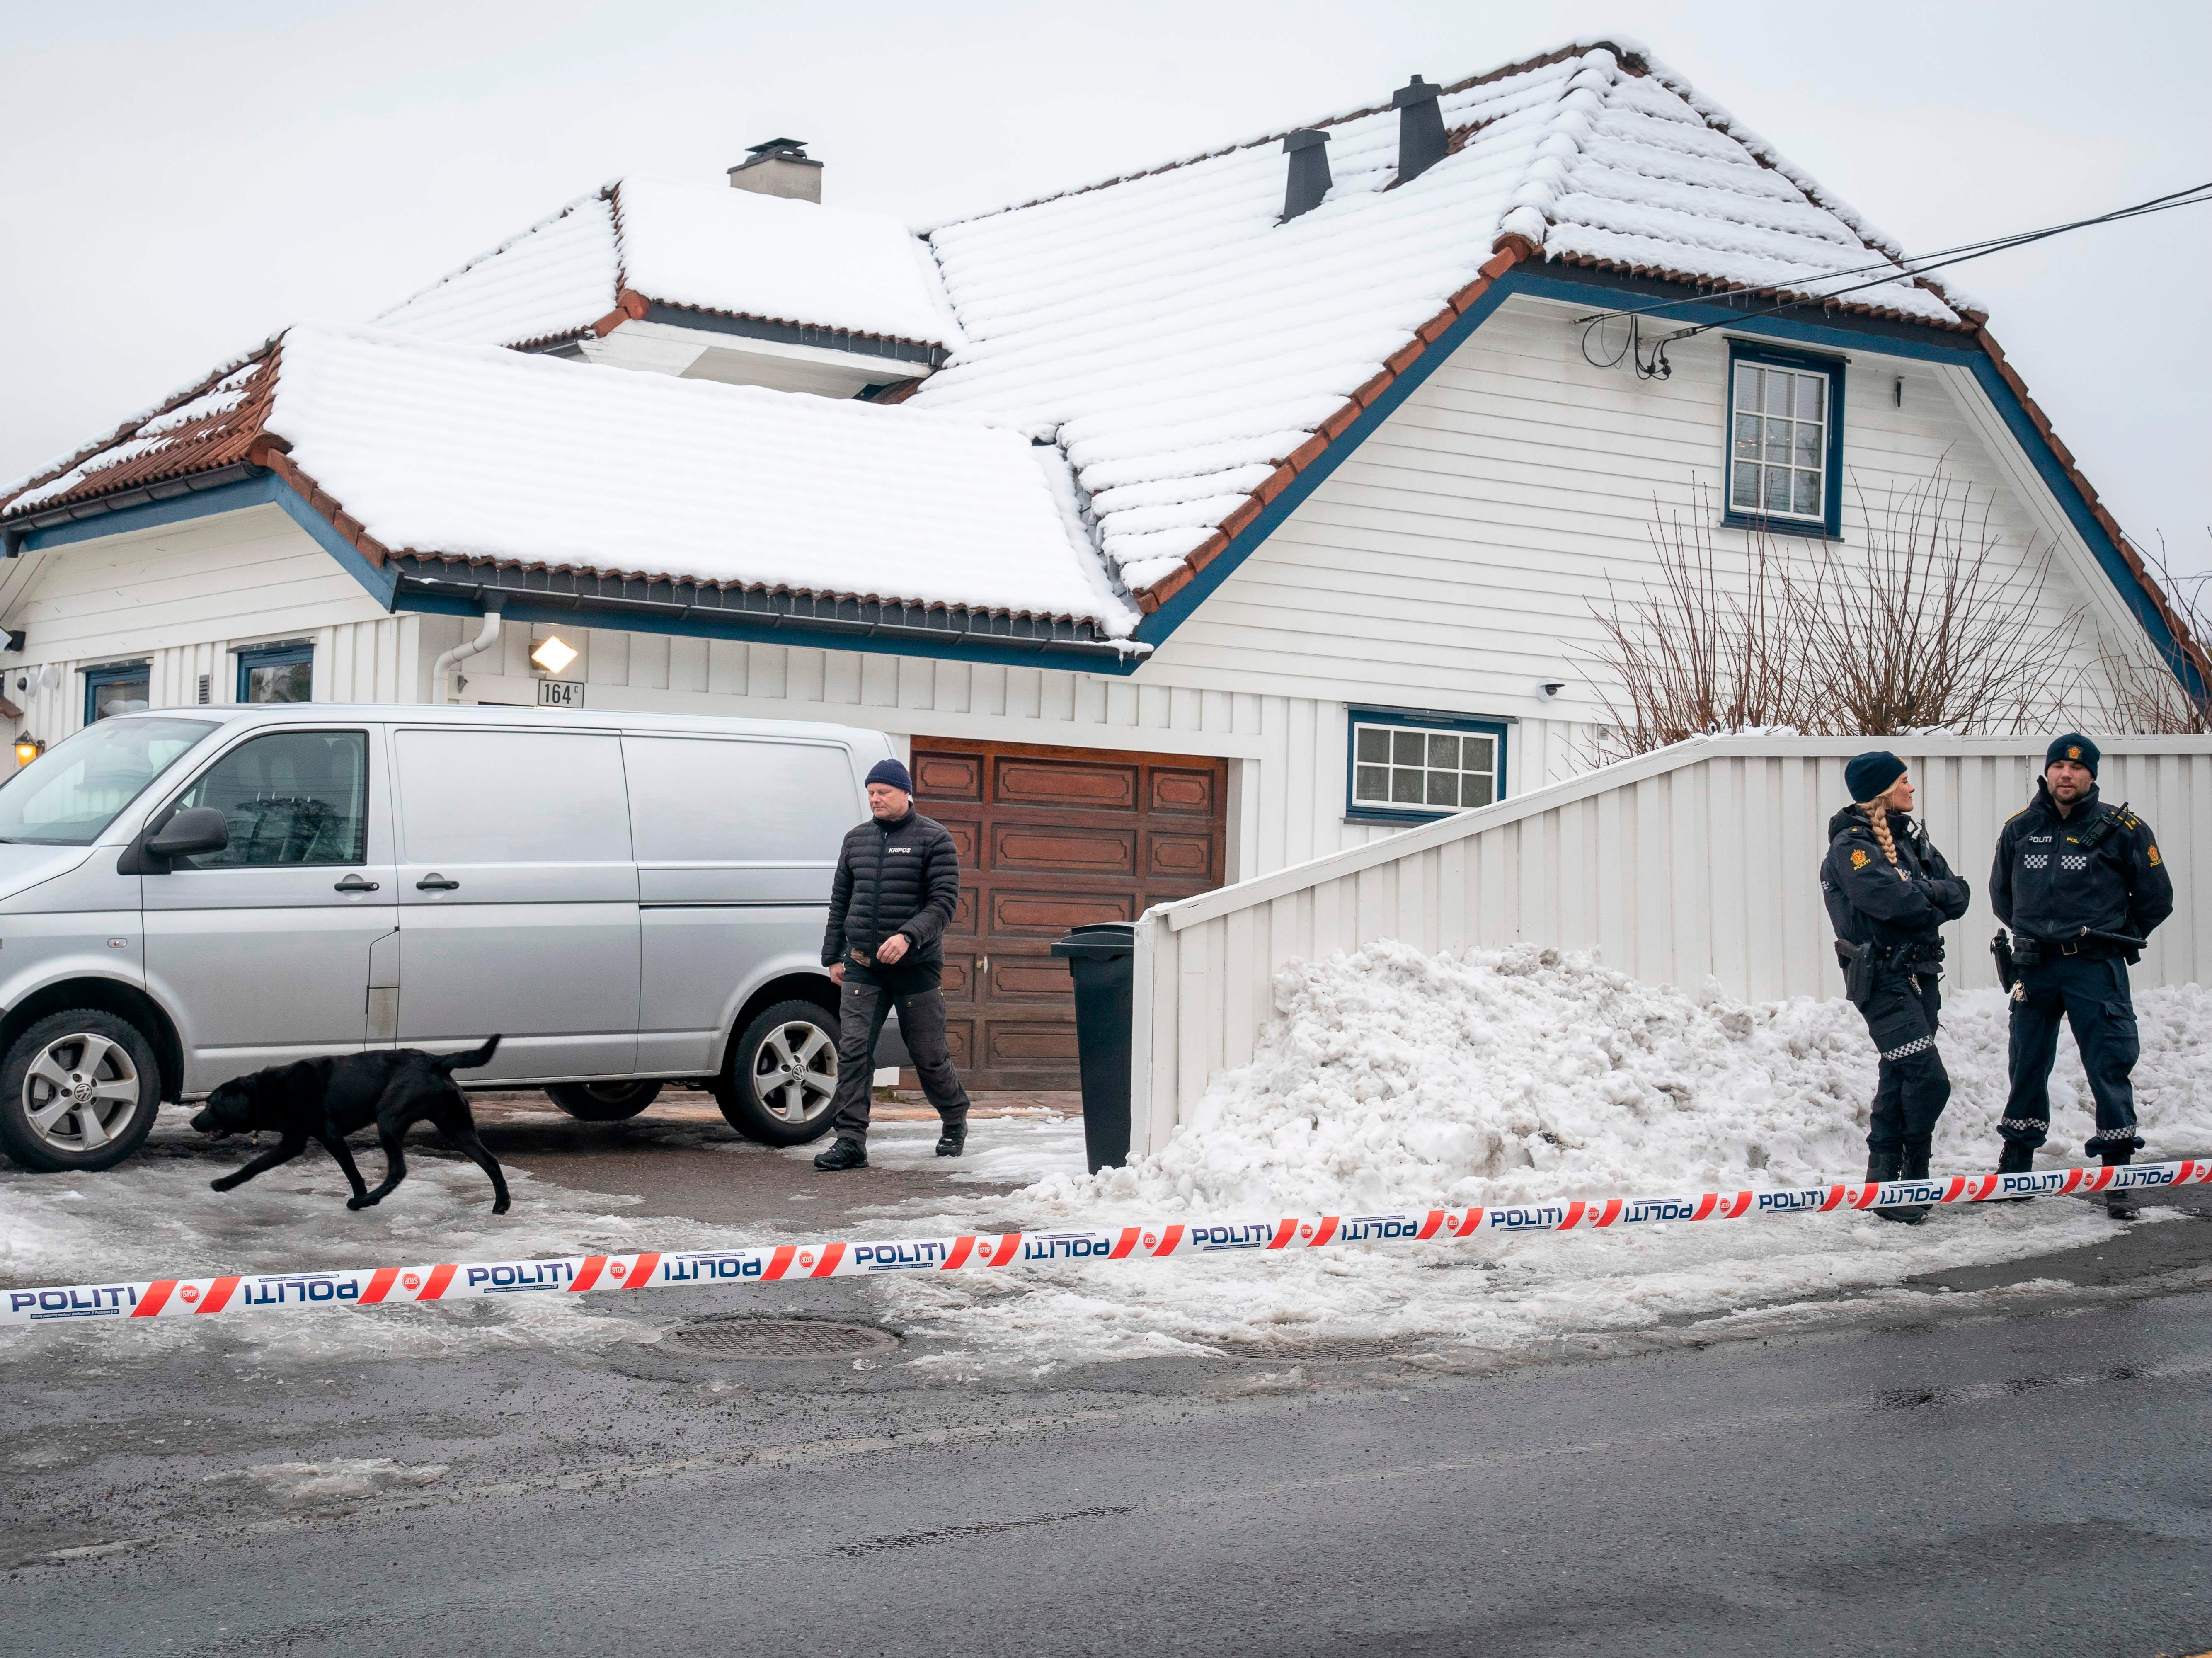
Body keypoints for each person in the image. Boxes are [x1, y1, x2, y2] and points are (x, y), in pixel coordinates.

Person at [1989, 733, 2173, 1219]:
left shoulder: (2123, 829)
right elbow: (2001, 896)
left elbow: (2157, 898)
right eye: (2058, 767)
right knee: (2026, 1062)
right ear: (2047, 772)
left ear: (2092, 774)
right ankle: (2017, 1163)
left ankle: (2119, 1175)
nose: (2066, 775)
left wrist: (2117, 937)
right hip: (2035, 966)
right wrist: (2033, 933)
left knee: (2108, 1063)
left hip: (2094, 966)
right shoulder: (2020, 828)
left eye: (2076, 768)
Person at [1820, 751, 1972, 1223]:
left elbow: (1961, 892)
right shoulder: (1853, 846)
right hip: (1884, 979)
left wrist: (1923, 893)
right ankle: (1912, 1172)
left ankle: (1885, 1185)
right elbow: (1897, 903)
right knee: (1928, 1080)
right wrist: (1928, 896)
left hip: (1922, 975)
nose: (1913, 788)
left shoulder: (1910, 838)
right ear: (1884, 789)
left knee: (1900, 1075)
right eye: (1906, 781)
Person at [811, 757, 971, 1172]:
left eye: (883, 792)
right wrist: (833, 955)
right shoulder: (856, 840)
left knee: (927, 1054)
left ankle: (954, 1118)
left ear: (905, 792)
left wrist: (908, 936)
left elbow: (944, 904)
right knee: (853, 1050)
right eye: (871, 793)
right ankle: (850, 1142)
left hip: (916, 967)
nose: (875, 799)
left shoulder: (935, 839)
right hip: (863, 966)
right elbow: (841, 901)